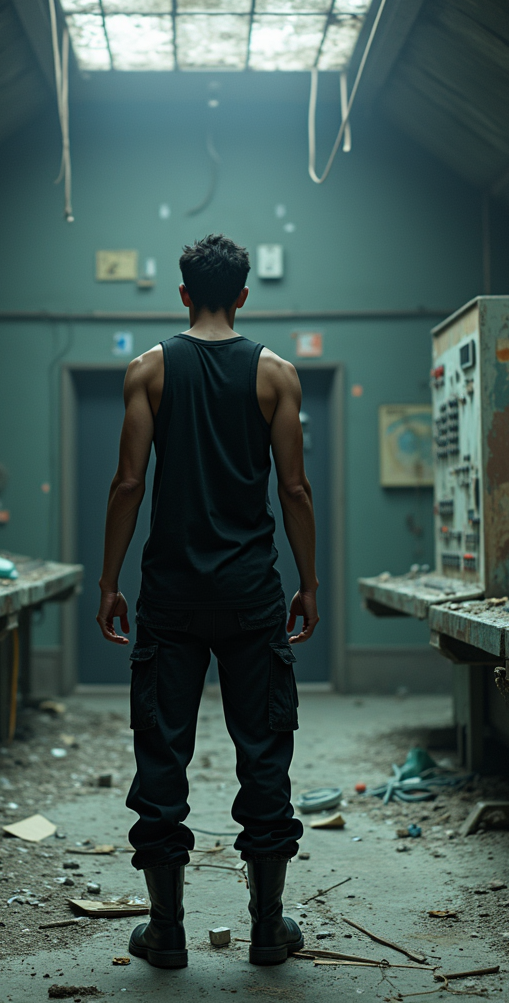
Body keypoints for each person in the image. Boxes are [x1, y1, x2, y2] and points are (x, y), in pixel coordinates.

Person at [96, 233, 319, 969]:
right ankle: (266, 930)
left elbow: (128, 484)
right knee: (264, 754)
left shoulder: (149, 371)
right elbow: (293, 489)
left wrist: (109, 582)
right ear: (245, 296)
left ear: (183, 293)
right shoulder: (277, 374)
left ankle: (165, 933)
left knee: (162, 754)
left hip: (170, 594)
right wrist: (308, 583)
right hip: (252, 594)